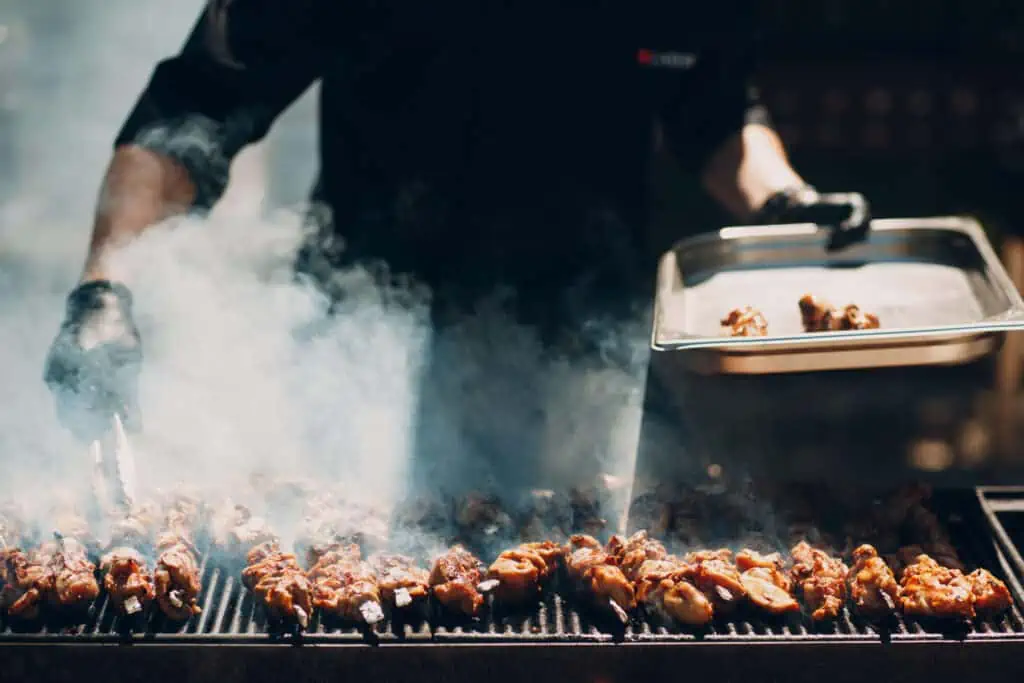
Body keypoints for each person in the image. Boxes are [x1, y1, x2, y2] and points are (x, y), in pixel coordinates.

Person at [43, 1, 870, 497]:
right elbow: (196, 108)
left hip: (585, 364)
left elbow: (718, 111)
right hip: (364, 365)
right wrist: (104, 287)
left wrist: (784, 197)